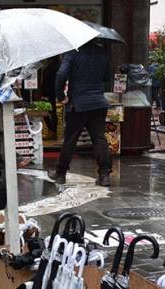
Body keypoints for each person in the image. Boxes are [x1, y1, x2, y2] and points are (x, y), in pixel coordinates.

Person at [48, 40, 112, 187]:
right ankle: (104, 175)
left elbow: (61, 74)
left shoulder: (72, 53)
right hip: (98, 102)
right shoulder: (103, 52)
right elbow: (107, 76)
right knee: (99, 138)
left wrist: (60, 96)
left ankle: (60, 173)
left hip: (78, 103)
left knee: (70, 139)